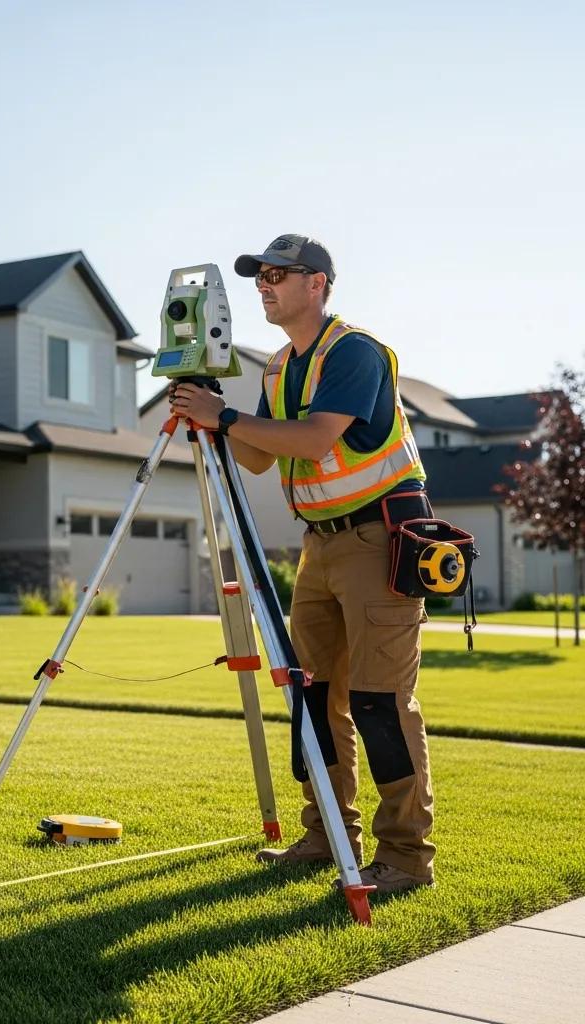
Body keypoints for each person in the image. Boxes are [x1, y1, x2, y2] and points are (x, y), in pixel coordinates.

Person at [169, 234, 435, 894]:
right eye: (259, 276)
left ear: (318, 283)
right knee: (313, 697)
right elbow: (260, 456)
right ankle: (326, 837)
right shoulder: (278, 367)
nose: (265, 285)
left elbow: (317, 440)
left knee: (379, 702)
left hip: (383, 540)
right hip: (319, 547)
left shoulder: (353, 353)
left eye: (278, 275)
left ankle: (405, 858)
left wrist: (223, 415)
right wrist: (208, 409)